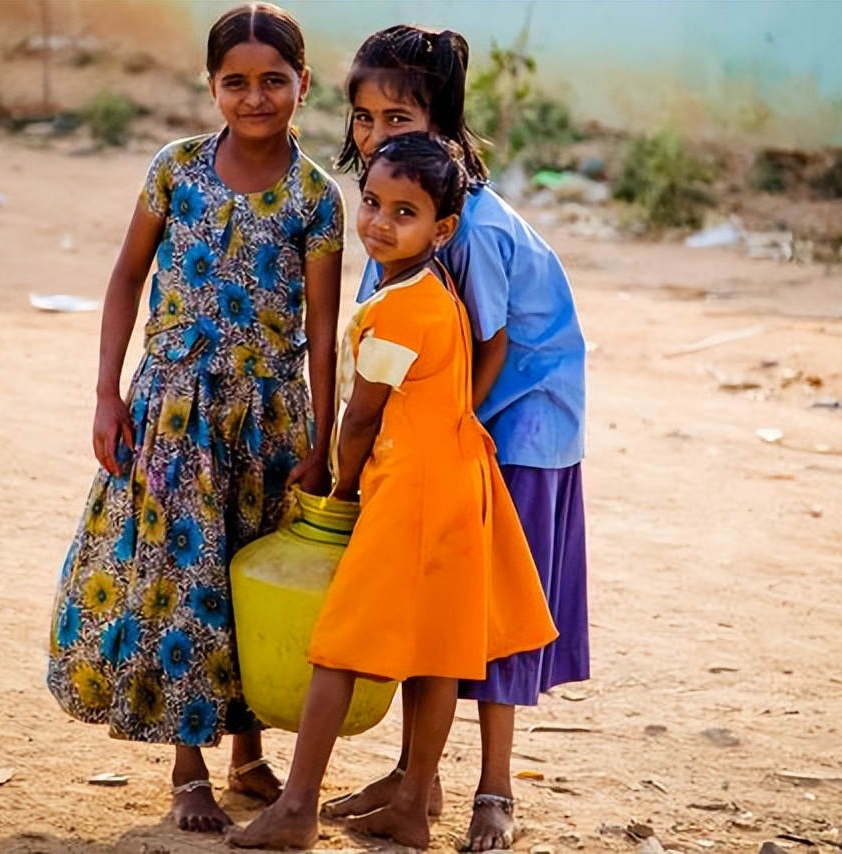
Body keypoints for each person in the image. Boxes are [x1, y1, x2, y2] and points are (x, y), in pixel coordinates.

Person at [45, 2, 344, 835]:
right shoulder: (174, 170)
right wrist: (107, 393)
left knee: (248, 580)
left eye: (273, 81)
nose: (255, 98)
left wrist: (320, 441)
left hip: (269, 422)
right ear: (211, 86)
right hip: (174, 413)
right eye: (236, 82)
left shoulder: (316, 198)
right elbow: (123, 280)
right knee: (184, 585)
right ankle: (188, 770)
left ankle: (249, 759)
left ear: (303, 84)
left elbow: (323, 329)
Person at [227, 133, 557, 852]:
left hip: (411, 491)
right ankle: (412, 805)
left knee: (338, 647)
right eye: (372, 201)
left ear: (441, 230)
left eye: (403, 212)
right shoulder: (435, 291)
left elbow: (361, 417)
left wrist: (341, 488)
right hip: (458, 484)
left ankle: (297, 808)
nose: (377, 221)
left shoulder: (399, 308)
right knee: (438, 651)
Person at [321, 25, 590, 853]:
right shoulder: (401, 201)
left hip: (517, 426)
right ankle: (416, 779)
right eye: (363, 118)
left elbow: (493, 346)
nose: (375, 137)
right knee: (434, 602)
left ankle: (495, 791)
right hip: (458, 430)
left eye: (396, 116)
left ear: (441, 118)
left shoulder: (469, 226)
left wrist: (444, 435)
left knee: (491, 612)